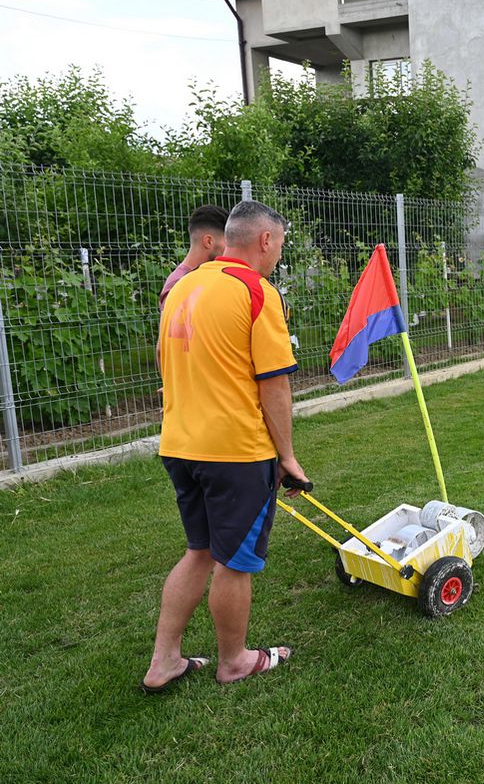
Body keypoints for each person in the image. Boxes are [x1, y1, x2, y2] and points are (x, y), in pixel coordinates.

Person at [143, 200, 307, 692]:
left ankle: (164, 661)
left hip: (179, 444)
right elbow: (274, 384)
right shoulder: (256, 291)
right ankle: (234, 660)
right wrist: (287, 457)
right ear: (265, 240)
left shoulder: (182, 286)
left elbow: (163, 360)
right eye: (280, 244)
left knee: (199, 551)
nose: (279, 254)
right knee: (234, 563)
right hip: (235, 453)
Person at [159, 205, 230, 310]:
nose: (230, 249)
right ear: (209, 241)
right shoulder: (177, 285)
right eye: (227, 242)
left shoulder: (206, 276)